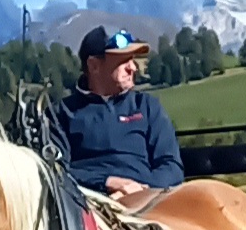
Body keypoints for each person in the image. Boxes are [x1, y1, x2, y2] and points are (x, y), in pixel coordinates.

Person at [53, 26, 185, 209]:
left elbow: (172, 167)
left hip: (149, 204)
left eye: (132, 60)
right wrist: (108, 182)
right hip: (87, 206)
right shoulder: (62, 113)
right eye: (123, 61)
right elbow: (56, 170)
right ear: (93, 66)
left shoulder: (147, 107)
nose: (133, 68)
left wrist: (139, 190)